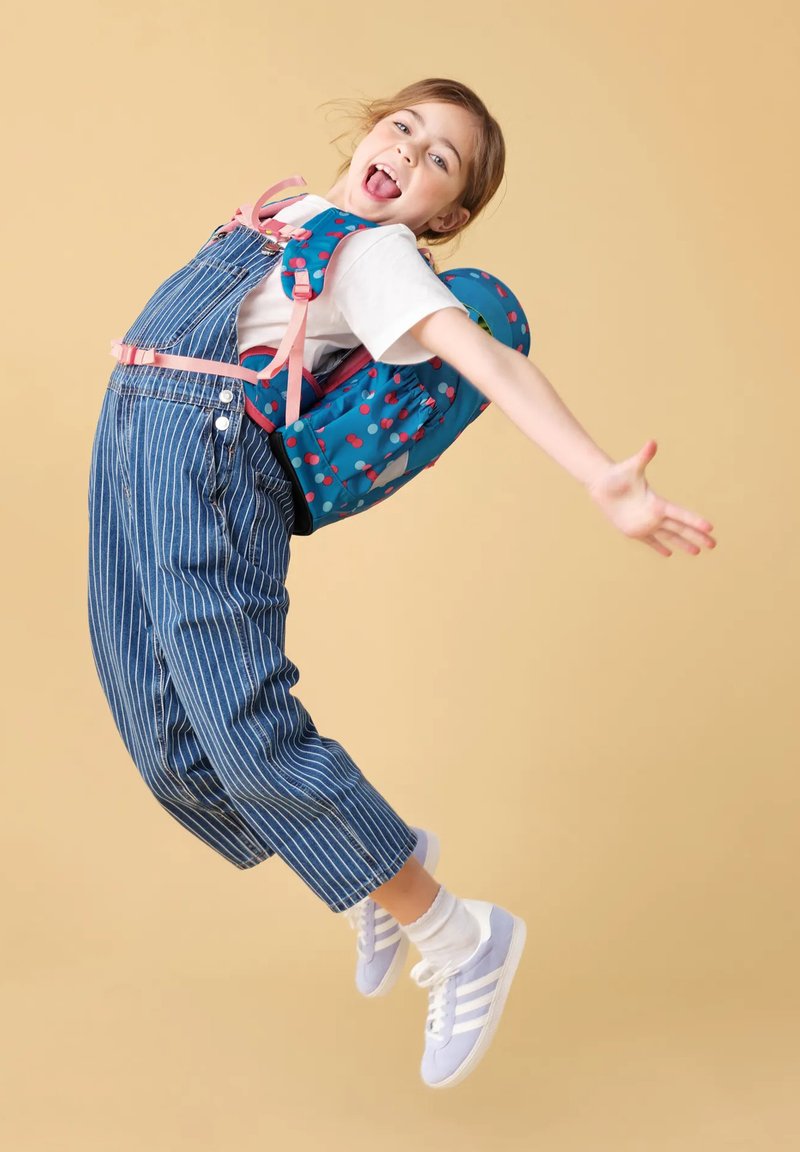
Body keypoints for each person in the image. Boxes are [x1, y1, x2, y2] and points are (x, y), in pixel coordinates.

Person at [88, 77, 716, 1091]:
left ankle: (460, 936)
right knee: (169, 751)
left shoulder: (374, 257)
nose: (408, 155)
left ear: (445, 217)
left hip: (207, 463)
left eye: (438, 163)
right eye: (404, 129)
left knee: (248, 734)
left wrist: (599, 474)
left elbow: (489, 362)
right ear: (369, 131)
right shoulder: (287, 212)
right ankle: (378, 870)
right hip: (129, 444)